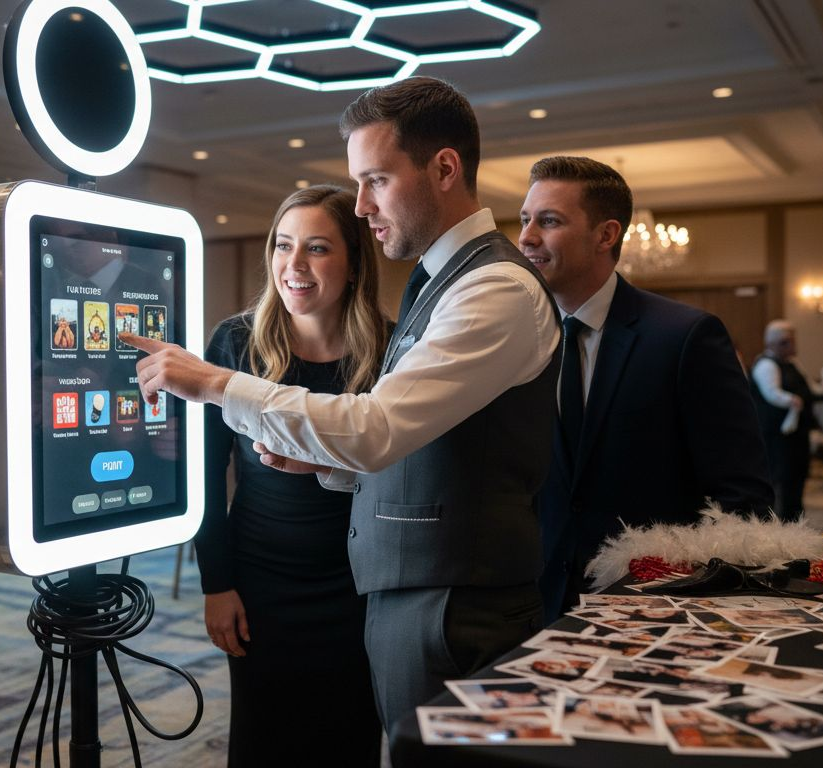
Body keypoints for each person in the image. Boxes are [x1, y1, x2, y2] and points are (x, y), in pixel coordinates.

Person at [121, 76, 561, 746]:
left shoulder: (493, 287)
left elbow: (376, 428)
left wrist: (213, 383)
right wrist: (327, 463)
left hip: (454, 605)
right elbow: (424, 447)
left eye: (376, 180)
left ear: (444, 168)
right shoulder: (440, 280)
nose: (362, 204)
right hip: (397, 593)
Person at [522, 156, 773, 620]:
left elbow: (742, 498)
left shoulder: (684, 336)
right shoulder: (517, 338)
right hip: (536, 603)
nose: (526, 237)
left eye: (549, 221)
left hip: (656, 606)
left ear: (606, 234)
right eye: (525, 219)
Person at [197, 185, 389, 766]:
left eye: (317, 248)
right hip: (260, 581)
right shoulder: (236, 342)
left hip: (358, 585)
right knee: (263, 742)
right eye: (283, 246)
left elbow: (411, 473)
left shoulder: (392, 350)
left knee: (348, 737)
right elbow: (206, 475)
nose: (294, 266)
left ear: (355, 263)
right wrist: (216, 583)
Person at [750, 321, 823, 520]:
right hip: (777, 437)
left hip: (797, 434)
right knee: (781, 481)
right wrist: (792, 400)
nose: (794, 346)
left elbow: (810, 389)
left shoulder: (793, 363)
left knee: (797, 480)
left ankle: (795, 522)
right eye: (789, 341)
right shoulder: (765, 365)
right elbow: (772, 394)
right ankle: (774, 525)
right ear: (777, 343)